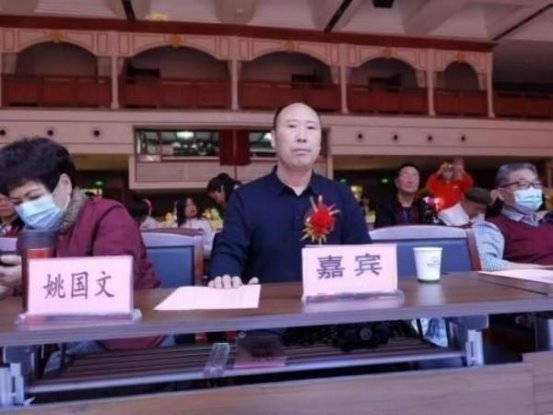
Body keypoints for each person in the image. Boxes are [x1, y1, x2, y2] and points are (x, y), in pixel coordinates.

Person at [0, 137, 163, 351]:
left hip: (121, 337)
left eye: (34, 197)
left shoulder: (109, 216)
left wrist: (33, 276)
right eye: (18, 202)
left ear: (64, 185)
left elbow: (112, 283)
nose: (27, 209)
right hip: (58, 334)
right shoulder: (31, 233)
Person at [209, 102, 370, 288]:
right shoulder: (244, 198)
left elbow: (363, 253)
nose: (302, 137)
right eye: (292, 126)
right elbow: (228, 251)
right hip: (266, 304)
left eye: (311, 128)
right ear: (274, 139)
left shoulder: (341, 195)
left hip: (330, 304)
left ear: (320, 143)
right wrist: (226, 277)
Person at [473, 162, 550, 271]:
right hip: (528, 281)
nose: (532, 190)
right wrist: (543, 269)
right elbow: (484, 262)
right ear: (501, 194)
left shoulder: (548, 223)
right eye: (522, 184)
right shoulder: (490, 227)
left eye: (536, 184)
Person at [374, 163, 437, 228]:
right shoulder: (385, 206)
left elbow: (432, 229)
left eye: (415, 176)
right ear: (396, 182)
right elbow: (383, 231)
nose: (410, 181)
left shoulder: (425, 207)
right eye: (406, 175)